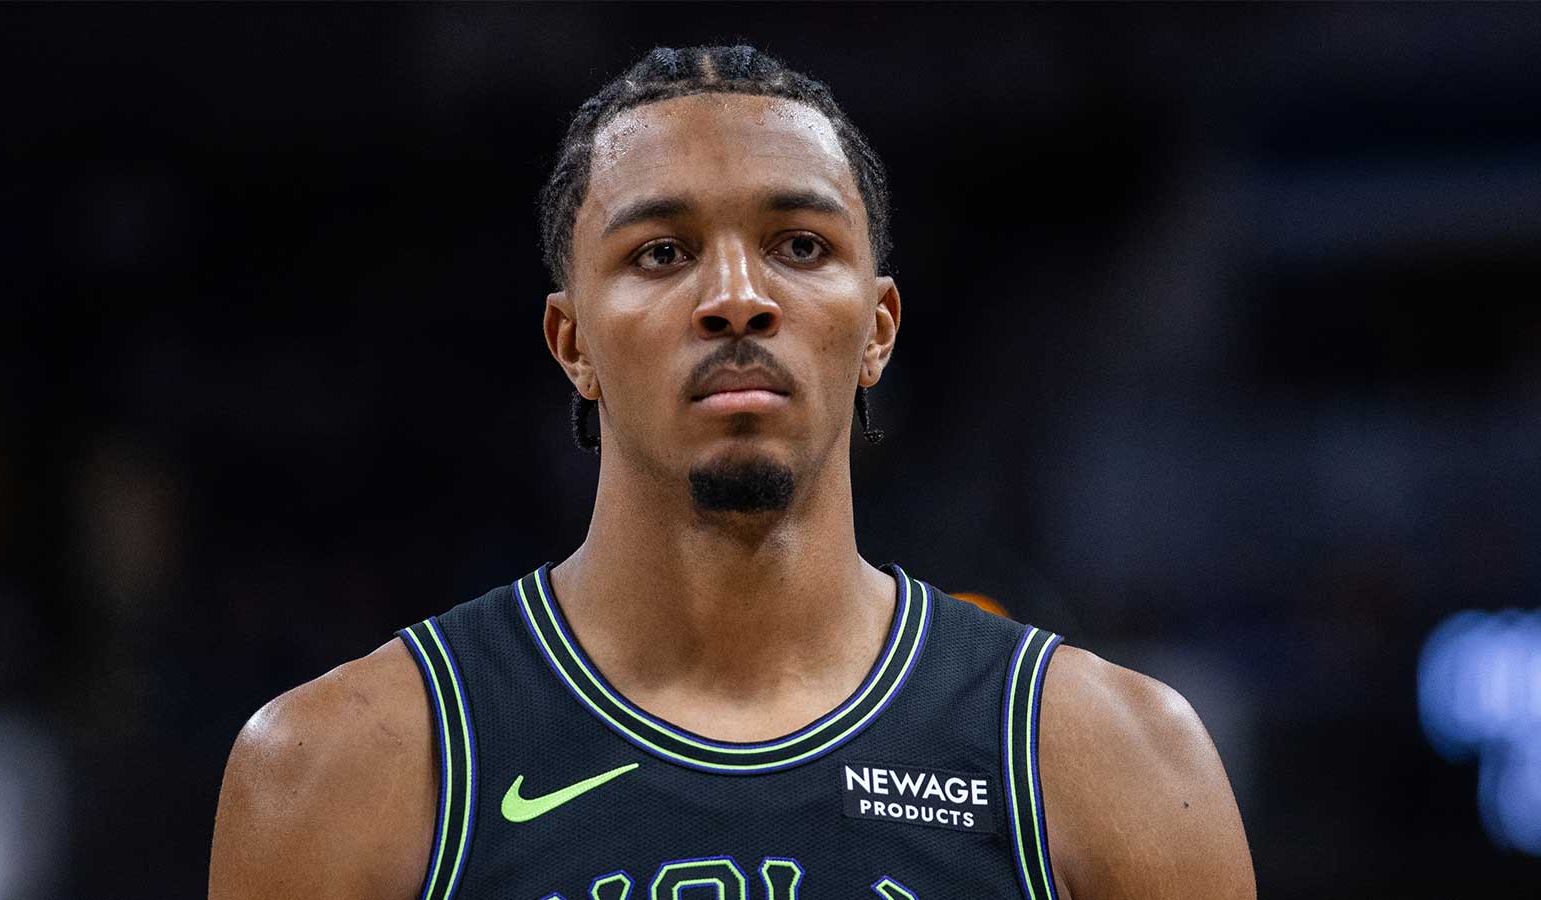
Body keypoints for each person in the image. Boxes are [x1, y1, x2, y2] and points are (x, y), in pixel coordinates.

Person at [208, 44, 1256, 900]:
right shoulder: (339, 768)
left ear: (878, 328)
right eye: (660, 252)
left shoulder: (1111, 761)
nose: (737, 297)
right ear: (570, 344)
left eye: (798, 245)